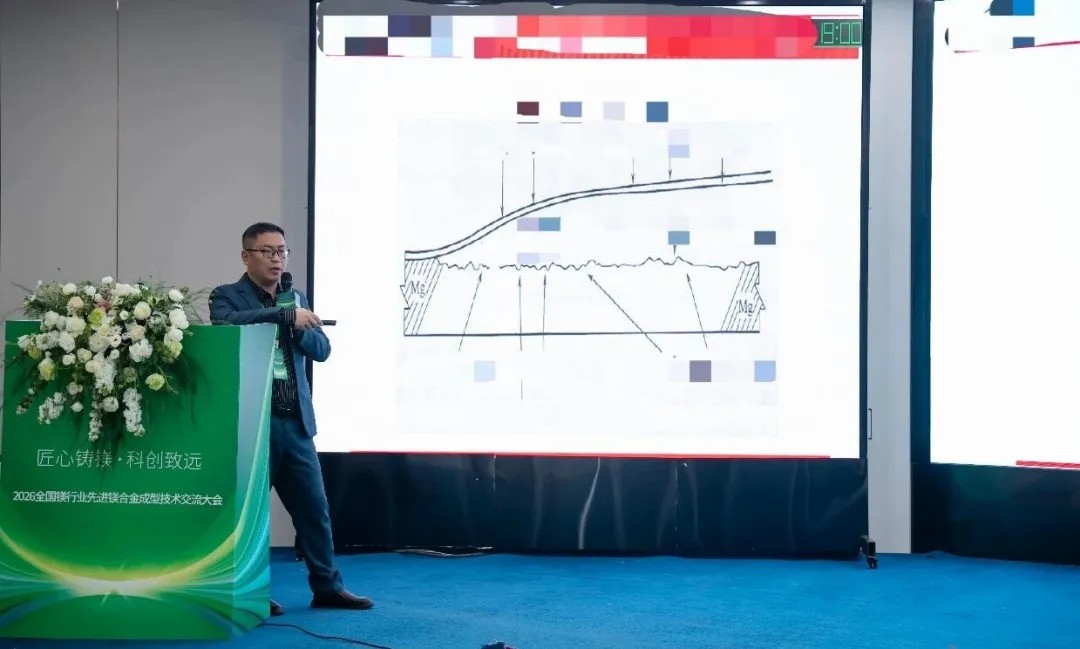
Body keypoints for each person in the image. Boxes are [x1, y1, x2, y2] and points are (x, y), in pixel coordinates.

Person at [209, 222, 373, 616]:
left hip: (295, 422)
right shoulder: (226, 295)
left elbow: (322, 350)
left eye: (282, 251)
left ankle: (328, 587)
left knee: (314, 510)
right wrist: (284, 316)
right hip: (254, 424)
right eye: (267, 251)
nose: (277, 259)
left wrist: (297, 323)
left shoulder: (294, 297)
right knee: (249, 516)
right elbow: (226, 325)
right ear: (246, 256)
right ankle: (249, 591)